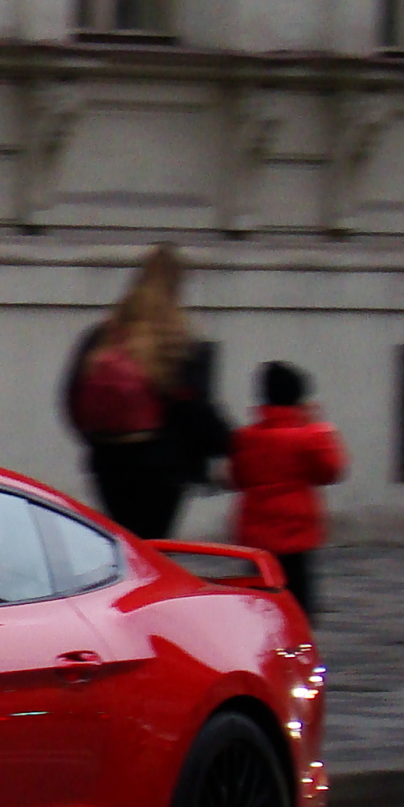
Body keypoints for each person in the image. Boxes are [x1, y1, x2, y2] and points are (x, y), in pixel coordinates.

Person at [62, 245, 232, 538]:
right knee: (154, 548)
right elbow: (196, 409)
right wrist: (229, 444)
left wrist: (96, 440)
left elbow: (71, 397)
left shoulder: (101, 337)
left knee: (124, 545)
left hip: (108, 461)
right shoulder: (179, 343)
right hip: (162, 467)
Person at [227, 360, 346, 618]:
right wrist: (318, 426)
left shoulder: (245, 437)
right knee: (298, 600)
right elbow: (331, 470)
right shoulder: (309, 437)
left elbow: (238, 477)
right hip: (297, 532)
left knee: (259, 595)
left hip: (256, 531)